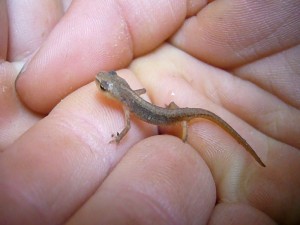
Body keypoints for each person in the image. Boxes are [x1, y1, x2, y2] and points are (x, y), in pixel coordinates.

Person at [1, 1, 299, 224]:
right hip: (163, 109)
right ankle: (183, 125)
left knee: (181, 117)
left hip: (171, 114)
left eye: (104, 85)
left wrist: (118, 136)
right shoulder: (128, 95)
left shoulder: (129, 105)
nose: (101, 84)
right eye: (104, 83)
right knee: (177, 113)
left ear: (116, 90)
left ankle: (186, 130)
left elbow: (129, 126)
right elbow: (137, 96)